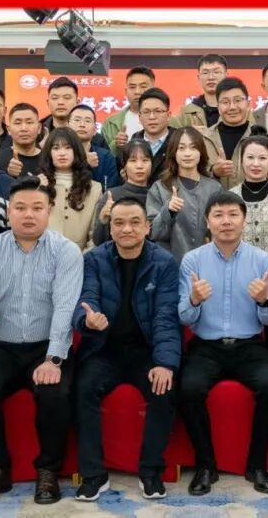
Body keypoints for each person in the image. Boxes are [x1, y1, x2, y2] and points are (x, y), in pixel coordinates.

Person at [0, 177, 83, 505]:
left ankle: (48, 471)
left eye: (37, 208)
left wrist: (54, 359)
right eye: (21, 208)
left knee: (55, 393)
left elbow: (65, 307)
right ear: (8, 211)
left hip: (47, 345)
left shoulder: (66, 251)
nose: (29, 214)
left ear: (49, 211)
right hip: (2, 346)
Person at [72, 197, 181, 501]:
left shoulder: (164, 263)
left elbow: (166, 316)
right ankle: (94, 475)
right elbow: (87, 298)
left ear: (147, 227)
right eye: (118, 223)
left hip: (146, 350)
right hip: (104, 349)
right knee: (82, 388)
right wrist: (87, 320)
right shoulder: (94, 260)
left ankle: (150, 471)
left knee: (164, 388)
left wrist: (164, 363)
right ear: (110, 228)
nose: (127, 229)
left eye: (135, 222)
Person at [178, 191, 268, 495]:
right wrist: (194, 300)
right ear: (208, 222)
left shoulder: (261, 260)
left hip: (249, 346)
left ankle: (257, 464)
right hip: (206, 347)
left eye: (233, 215)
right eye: (218, 215)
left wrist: (264, 300)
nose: (226, 221)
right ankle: (206, 465)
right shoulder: (192, 260)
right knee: (188, 389)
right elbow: (184, 316)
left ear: (244, 220)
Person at [147, 126, 222, 261]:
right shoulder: (160, 187)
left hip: (207, 262)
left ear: (201, 152)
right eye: (181, 148)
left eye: (193, 148)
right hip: (170, 263)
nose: (187, 154)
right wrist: (168, 211)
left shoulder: (214, 188)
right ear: (173, 153)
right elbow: (153, 232)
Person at [38, 127, 102, 249]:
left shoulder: (94, 188)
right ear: (49, 153)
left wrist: (81, 258)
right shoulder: (38, 185)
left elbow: (95, 236)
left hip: (82, 257)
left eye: (68, 147)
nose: (62, 153)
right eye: (56, 148)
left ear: (76, 151)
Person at [204, 77, 264, 189]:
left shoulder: (262, 138)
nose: (232, 107)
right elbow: (193, 178)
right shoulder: (204, 139)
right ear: (218, 107)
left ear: (248, 104)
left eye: (238, 100)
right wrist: (214, 172)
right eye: (225, 102)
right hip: (214, 200)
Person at [91, 140, 153, 246]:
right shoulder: (111, 196)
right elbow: (98, 241)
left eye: (145, 160)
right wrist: (103, 220)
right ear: (124, 165)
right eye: (133, 160)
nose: (139, 166)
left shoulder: (156, 195)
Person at [101, 66, 155, 156]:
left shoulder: (168, 121)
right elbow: (102, 157)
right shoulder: (110, 123)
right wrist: (116, 145)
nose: (137, 91)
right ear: (126, 91)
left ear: (153, 90)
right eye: (132, 87)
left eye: (143, 86)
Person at [128, 87, 175, 184]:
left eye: (158, 111)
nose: (152, 117)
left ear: (168, 115)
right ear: (139, 117)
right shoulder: (133, 143)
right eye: (146, 112)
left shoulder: (179, 141)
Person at [69, 104, 121, 189]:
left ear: (95, 130)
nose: (82, 124)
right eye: (77, 120)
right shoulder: (59, 153)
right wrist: (84, 163)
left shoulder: (106, 157)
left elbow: (110, 189)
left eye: (87, 121)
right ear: (67, 126)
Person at [173, 53, 226, 128]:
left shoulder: (236, 108)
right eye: (205, 73)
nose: (211, 77)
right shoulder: (186, 112)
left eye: (216, 72)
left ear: (226, 75)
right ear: (198, 77)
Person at [0, 103, 43, 179]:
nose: (24, 128)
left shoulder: (49, 158)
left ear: (39, 128)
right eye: (18, 123)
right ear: (9, 130)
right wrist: (8, 175)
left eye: (29, 122)